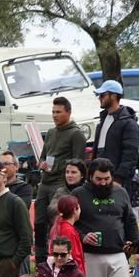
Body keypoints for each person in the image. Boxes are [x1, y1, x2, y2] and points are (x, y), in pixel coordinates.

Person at [72, 159, 139, 277]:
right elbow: (70, 223)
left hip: (118, 254)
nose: (103, 183)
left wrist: (135, 244)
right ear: (90, 177)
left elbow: (130, 220)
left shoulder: (120, 191)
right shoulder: (78, 194)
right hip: (91, 256)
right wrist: (83, 236)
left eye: (107, 179)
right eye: (99, 179)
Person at [35, 97, 87, 263]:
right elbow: (43, 154)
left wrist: (57, 168)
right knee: (39, 222)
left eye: (58, 112)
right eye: (53, 112)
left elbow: (78, 161)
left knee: (56, 221)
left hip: (60, 183)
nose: (55, 115)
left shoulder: (76, 134)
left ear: (68, 113)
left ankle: (56, 255)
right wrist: (42, 163)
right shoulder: (51, 132)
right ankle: (41, 258)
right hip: (45, 182)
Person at [91, 80, 139, 191]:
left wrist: (119, 179)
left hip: (116, 181)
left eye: (102, 95)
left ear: (113, 96)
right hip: (99, 177)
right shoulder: (103, 120)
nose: (99, 98)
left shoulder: (129, 123)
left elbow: (130, 155)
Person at [47, 196, 85, 274]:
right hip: (71, 275)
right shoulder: (68, 230)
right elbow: (74, 256)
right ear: (75, 210)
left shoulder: (58, 225)